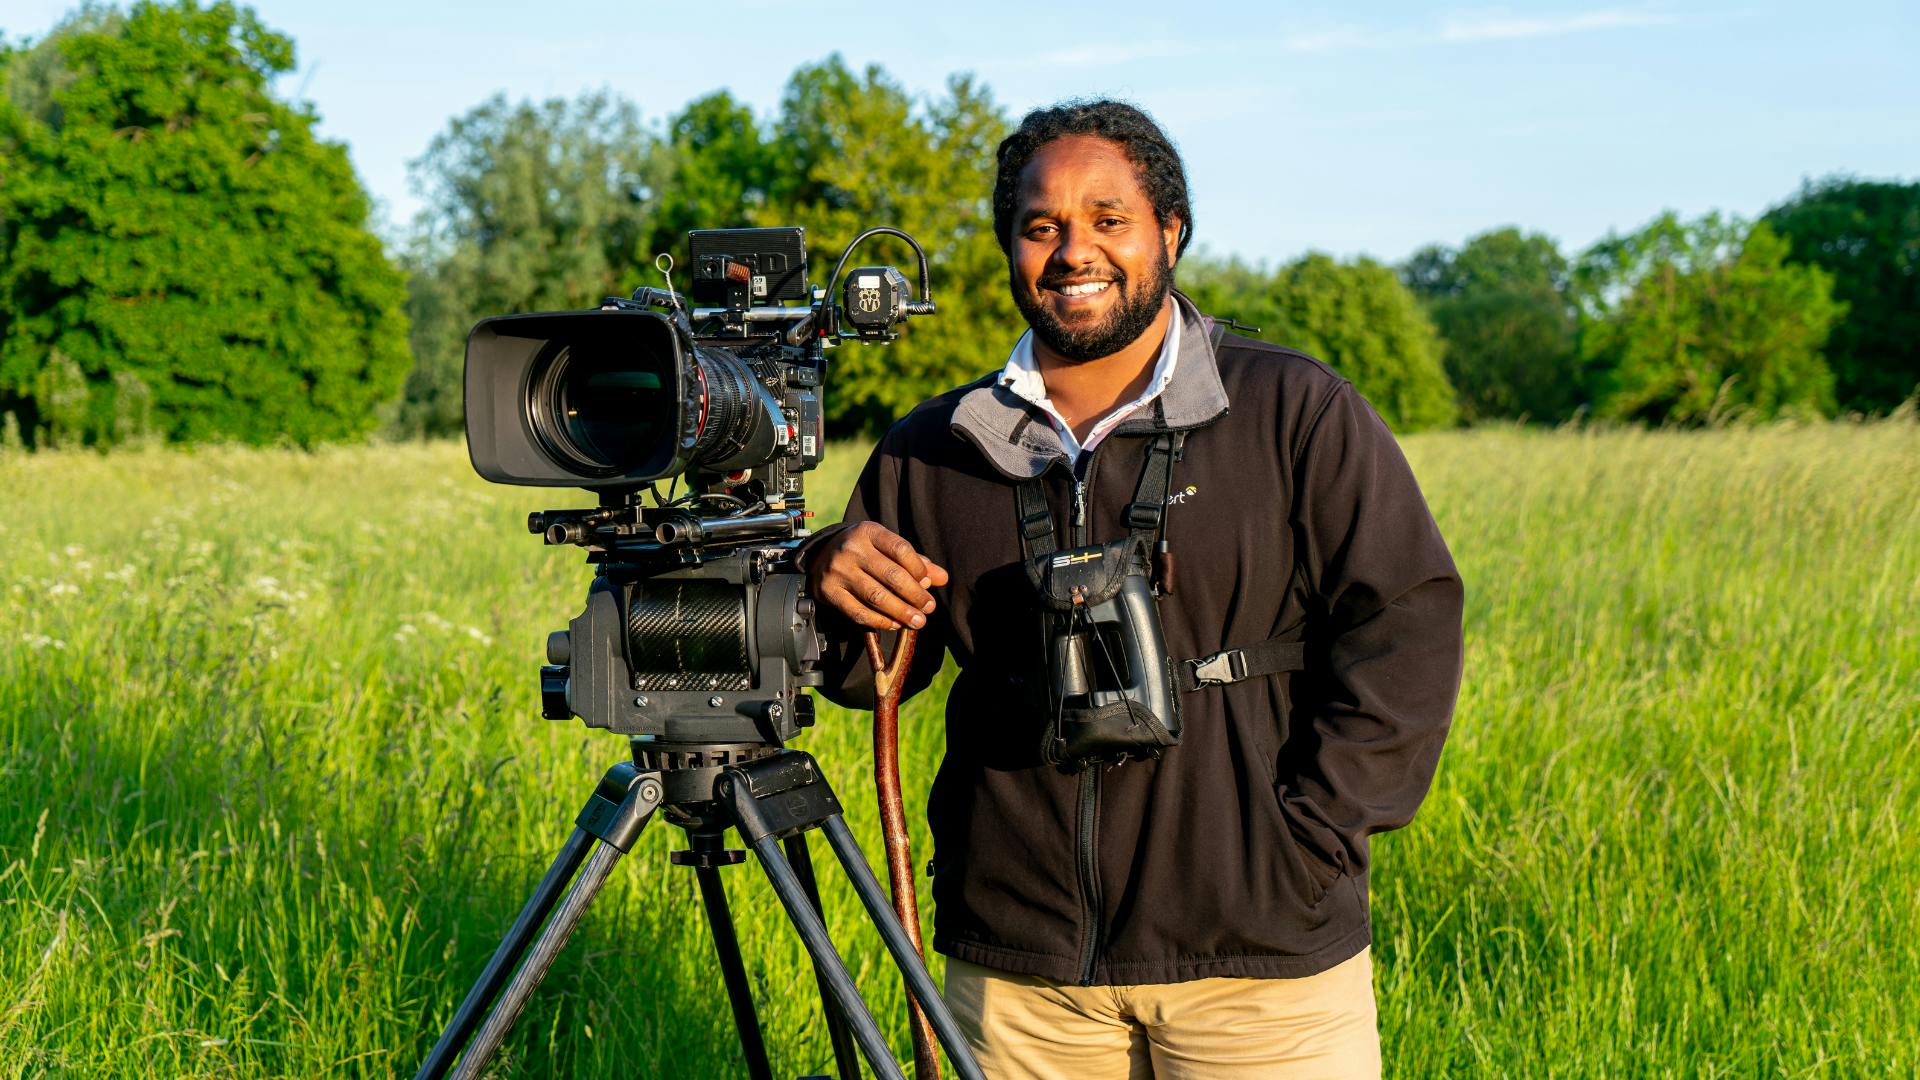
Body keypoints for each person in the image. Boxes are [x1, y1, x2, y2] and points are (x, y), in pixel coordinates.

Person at [801, 100, 1463, 1079]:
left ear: (1171, 233)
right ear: (1009, 250)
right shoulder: (934, 448)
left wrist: (1309, 841)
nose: (1074, 251)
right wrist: (823, 570)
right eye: (1041, 226)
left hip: (1261, 968)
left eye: (1109, 219)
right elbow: (867, 676)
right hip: (1021, 977)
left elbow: (1404, 620)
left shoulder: (1290, 407)